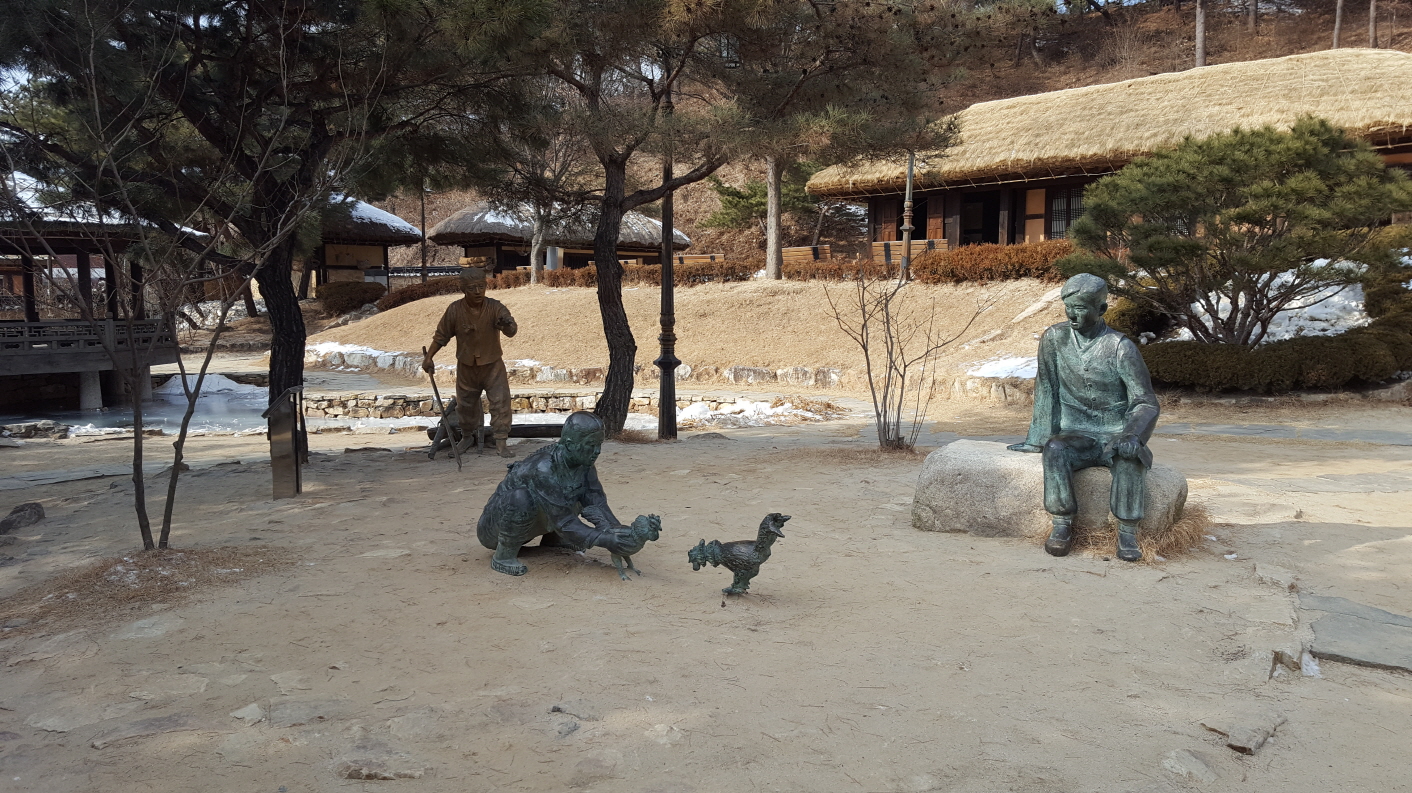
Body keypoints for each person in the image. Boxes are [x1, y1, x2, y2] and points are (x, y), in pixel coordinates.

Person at [1007, 273, 1160, 561]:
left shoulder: (1120, 347)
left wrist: (1132, 434)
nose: (1073, 315)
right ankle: (1061, 524)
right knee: (1055, 449)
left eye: (1081, 308)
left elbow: (1145, 402)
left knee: (1129, 458)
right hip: (1076, 432)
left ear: (1101, 310)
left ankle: (1127, 532)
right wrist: (1037, 440)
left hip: (1116, 431)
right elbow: (1047, 389)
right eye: (1069, 308)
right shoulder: (1055, 338)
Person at [476, 411, 637, 576]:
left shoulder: (583, 464)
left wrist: (616, 529)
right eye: (591, 445)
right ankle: (503, 556)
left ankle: (554, 539)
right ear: (568, 445)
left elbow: (596, 501)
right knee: (521, 498)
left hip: (536, 524)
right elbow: (564, 521)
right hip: (493, 531)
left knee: (574, 489)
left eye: (599, 444)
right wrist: (605, 540)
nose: (597, 451)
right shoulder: (544, 468)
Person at [422, 259, 518, 458]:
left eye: (481, 287)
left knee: (500, 402)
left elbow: (511, 330)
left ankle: (501, 441)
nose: (477, 291)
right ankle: (466, 437)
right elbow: (441, 336)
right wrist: (429, 357)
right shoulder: (454, 310)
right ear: (463, 288)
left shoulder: (495, 307)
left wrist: (506, 324)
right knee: (465, 406)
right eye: (472, 287)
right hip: (466, 366)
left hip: (493, 366)